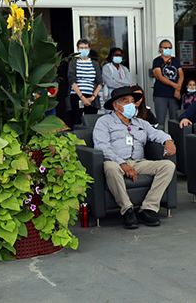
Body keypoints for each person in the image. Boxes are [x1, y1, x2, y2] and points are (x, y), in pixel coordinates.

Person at [92, 87, 176, 229]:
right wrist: (122, 163)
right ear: (115, 105)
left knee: (168, 166)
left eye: (132, 101)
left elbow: (156, 133)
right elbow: (102, 146)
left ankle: (148, 209)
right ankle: (127, 210)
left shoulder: (140, 122)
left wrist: (168, 141)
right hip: (115, 162)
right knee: (111, 168)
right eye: (126, 101)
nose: (131, 104)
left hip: (138, 162)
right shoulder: (104, 122)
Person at [67, 39, 102, 128]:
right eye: (81, 48)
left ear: (89, 49)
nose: (84, 50)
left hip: (91, 97)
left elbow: (100, 82)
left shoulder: (94, 64)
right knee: (76, 122)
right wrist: (82, 97)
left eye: (86, 47)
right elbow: (72, 80)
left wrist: (93, 97)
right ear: (78, 49)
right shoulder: (73, 62)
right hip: (76, 95)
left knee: (91, 123)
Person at [152, 39, 184, 128]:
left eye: (170, 48)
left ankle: (175, 140)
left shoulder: (175, 60)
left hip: (174, 94)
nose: (168, 49)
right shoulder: (157, 61)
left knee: (175, 120)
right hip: (161, 94)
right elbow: (159, 76)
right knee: (160, 120)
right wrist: (174, 85)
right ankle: (161, 140)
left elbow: (181, 74)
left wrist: (178, 89)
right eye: (166, 47)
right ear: (160, 49)